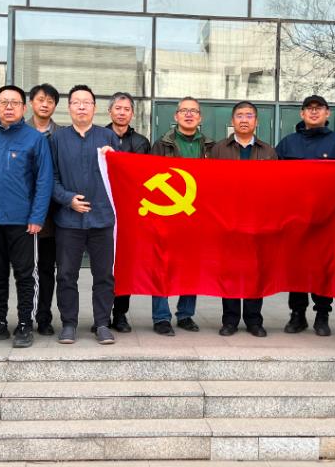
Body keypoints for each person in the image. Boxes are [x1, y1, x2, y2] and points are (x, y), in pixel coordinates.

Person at [0, 85, 53, 349]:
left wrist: (37, 217)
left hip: (23, 222)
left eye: (14, 102)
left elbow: (44, 181)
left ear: (23, 108)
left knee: (25, 275)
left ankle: (25, 324)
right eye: (3, 102)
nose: (8, 107)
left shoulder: (35, 139)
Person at [50, 85, 120, 345]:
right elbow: (50, 177)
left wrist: (114, 159)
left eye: (87, 102)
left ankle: (102, 323)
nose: (81, 106)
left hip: (102, 219)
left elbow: (120, 175)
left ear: (94, 108)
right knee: (66, 274)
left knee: (104, 275)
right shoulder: (57, 139)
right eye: (76, 102)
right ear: (69, 107)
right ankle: (69, 323)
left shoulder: (108, 137)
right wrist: (67, 199)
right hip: (69, 221)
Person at [275, 95, 335, 336]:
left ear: (327, 113)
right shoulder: (288, 143)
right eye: (309, 108)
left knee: (323, 267)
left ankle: (322, 315)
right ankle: (297, 315)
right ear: (302, 114)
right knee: (296, 267)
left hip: (326, 218)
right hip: (294, 217)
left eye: (319, 108)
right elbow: (274, 178)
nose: (314, 112)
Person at [208, 101, 275, 338]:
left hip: (258, 221)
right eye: (239, 115)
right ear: (232, 121)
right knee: (230, 272)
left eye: (249, 115)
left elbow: (275, 187)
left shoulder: (268, 151)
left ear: (256, 121)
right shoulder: (219, 149)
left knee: (256, 272)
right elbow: (210, 184)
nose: (244, 120)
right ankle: (230, 320)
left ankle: (254, 320)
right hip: (228, 220)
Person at [149, 97, 213, 336]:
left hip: (198, 217)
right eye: (184, 110)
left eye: (193, 111)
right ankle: (161, 317)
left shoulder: (210, 147)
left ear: (200, 117)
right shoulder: (161, 145)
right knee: (162, 266)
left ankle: (185, 314)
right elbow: (150, 179)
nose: (189, 114)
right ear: (175, 116)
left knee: (191, 267)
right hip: (167, 215)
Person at [105, 92, 150, 333]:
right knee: (104, 267)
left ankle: (120, 314)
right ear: (110, 111)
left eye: (126, 109)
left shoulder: (142, 142)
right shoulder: (98, 136)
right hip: (103, 210)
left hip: (131, 212)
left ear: (132, 114)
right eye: (118, 108)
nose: (122, 112)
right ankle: (102, 314)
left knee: (124, 265)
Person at [26, 83, 61, 336]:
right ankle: (25, 316)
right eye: (40, 99)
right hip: (23, 211)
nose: (45, 104)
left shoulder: (61, 135)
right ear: (31, 103)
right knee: (25, 269)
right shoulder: (19, 131)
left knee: (47, 268)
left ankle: (44, 316)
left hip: (53, 213)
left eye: (50, 101)